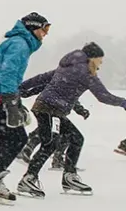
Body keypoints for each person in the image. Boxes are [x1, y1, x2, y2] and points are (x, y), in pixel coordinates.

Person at [14, 43, 122, 197]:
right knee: (50, 144)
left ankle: (69, 177)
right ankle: (28, 179)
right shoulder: (84, 72)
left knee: (76, 138)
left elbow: (43, 78)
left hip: (49, 108)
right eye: (100, 60)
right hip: (50, 109)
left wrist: (22, 88)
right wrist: (123, 103)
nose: (101, 64)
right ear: (92, 58)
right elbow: (103, 96)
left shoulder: (68, 66)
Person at [0, 12, 49, 204]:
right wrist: (10, 103)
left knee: (8, 135)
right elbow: (7, 73)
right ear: (33, 28)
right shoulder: (20, 44)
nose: (45, 34)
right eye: (44, 29)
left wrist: (17, 102)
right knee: (17, 137)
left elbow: (11, 77)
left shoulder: (20, 43)